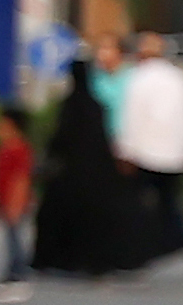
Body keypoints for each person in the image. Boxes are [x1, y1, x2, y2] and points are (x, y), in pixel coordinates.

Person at [31, 54, 154, 278]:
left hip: (69, 176)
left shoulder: (69, 106)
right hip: (97, 176)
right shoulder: (96, 106)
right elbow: (102, 141)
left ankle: (61, 261)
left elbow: (61, 140)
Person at [114, 30, 183, 256]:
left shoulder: (137, 78)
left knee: (138, 203)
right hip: (173, 154)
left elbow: (131, 117)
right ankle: (169, 241)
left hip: (144, 153)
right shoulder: (176, 78)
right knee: (167, 202)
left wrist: (125, 150)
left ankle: (142, 243)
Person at [0, 101, 36, 302]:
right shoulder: (4, 149)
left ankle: (19, 275)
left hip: (14, 203)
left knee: (15, 240)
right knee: (10, 239)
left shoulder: (19, 150)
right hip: (4, 201)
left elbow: (21, 179)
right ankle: (11, 273)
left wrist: (16, 203)